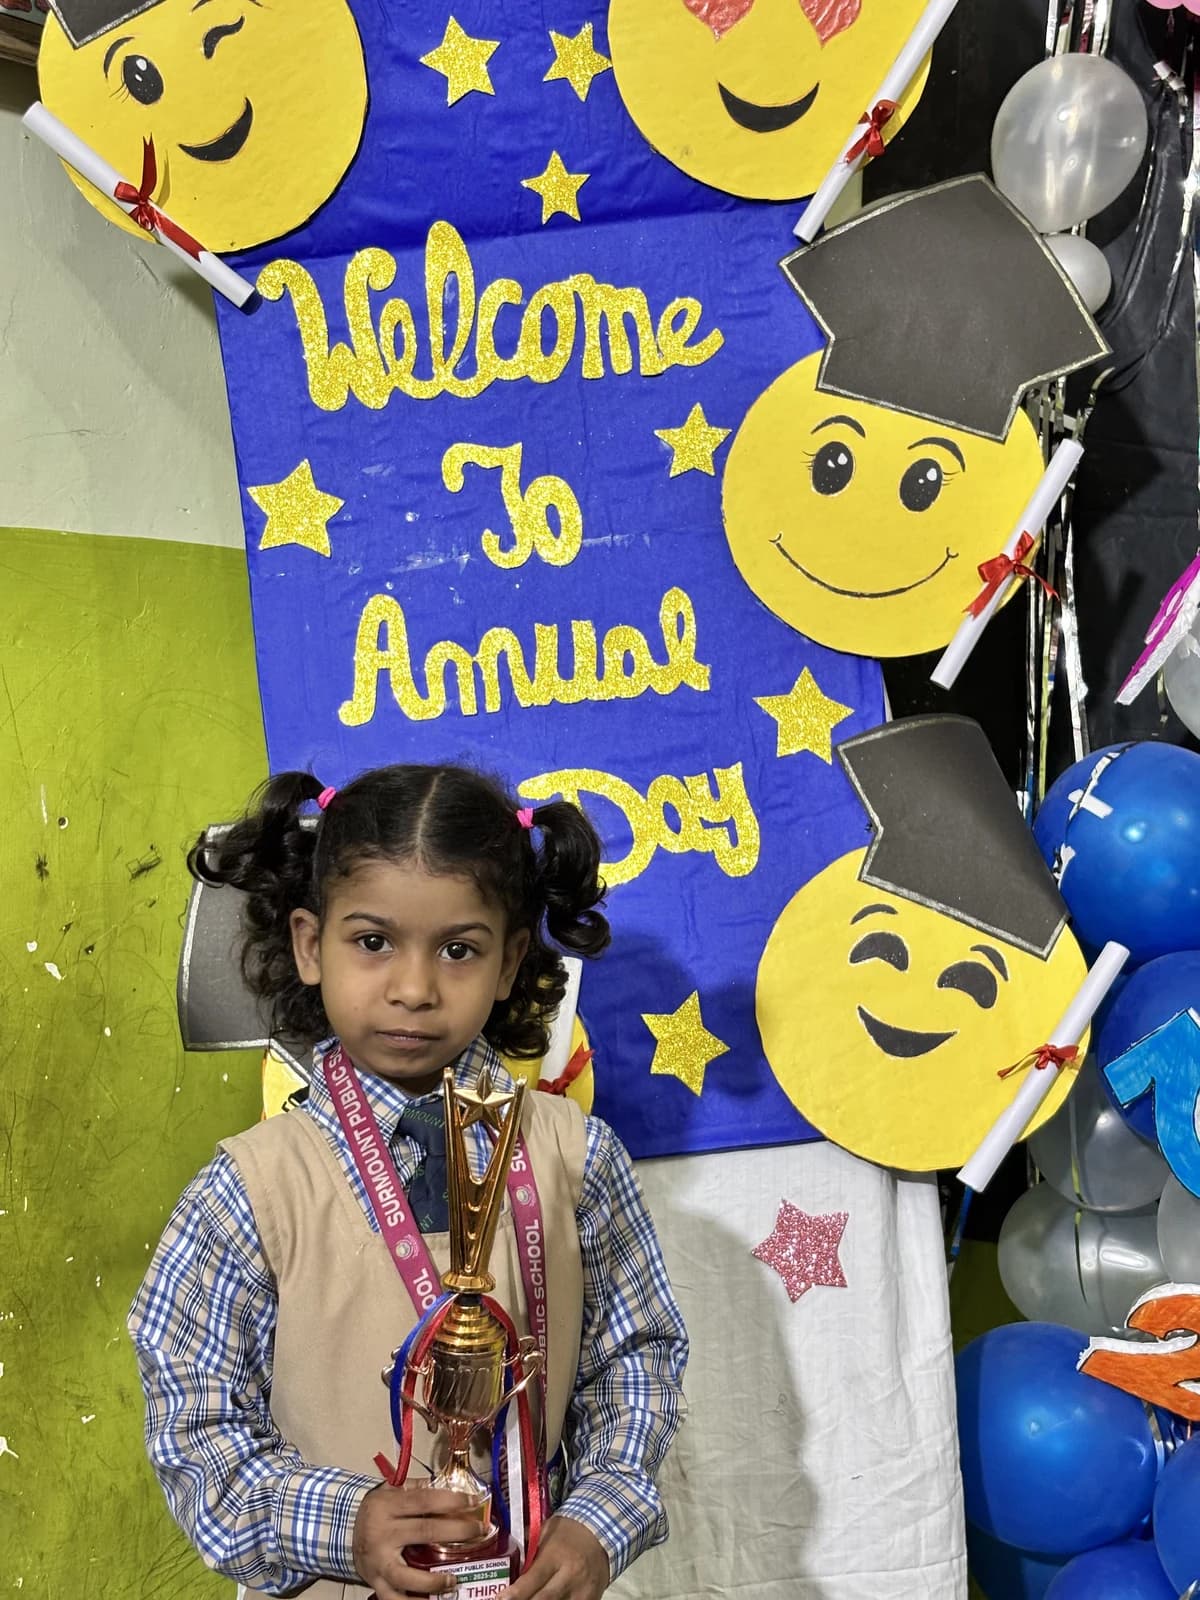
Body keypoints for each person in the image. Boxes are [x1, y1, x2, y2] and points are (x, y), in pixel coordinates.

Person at [128, 764, 687, 1600]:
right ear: (311, 946)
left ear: (509, 965)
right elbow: (193, 1430)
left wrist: (598, 1516)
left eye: (458, 950)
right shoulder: (248, 1191)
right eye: (374, 941)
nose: (415, 988)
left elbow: (635, 1356)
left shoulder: (579, 1156)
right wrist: (343, 1523)